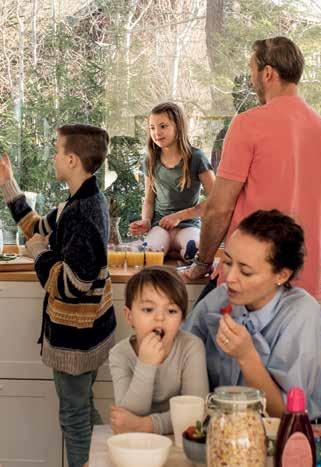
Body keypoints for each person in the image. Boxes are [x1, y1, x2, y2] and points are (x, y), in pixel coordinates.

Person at [184, 37, 321, 301]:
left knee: (199, 333)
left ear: (267, 73)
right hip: (304, 292)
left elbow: (219, 208)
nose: (250, 80)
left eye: (251, 70)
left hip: (249, 287)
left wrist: (202, 263)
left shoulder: (248, 125)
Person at [0, 124, 116, 467]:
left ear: (71, 159)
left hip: (75, 341)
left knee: (75, 420)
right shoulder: (78, 202)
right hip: (88, 334)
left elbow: (70, 284)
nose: (52, 157)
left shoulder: (83, 213)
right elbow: (36, 229)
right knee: (81, 411)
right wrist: (8, 181)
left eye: (56, 150)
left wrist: (38, 253)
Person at [183, 209, 321, 420]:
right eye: (227, 262)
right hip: (218, 431)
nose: (231, 277)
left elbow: (287, 415)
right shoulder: (219, 299)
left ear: (282, 275)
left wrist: (246, 355)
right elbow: (180, 354)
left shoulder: (303, 317)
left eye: (246, 271)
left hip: (281, 438)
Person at [109, 266, 208, 434]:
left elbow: (196, 414)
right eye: (148, 309)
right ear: (129, 316)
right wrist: (145, 365)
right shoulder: (120, 354)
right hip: (136, 444)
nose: (160, 317)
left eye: (171, 311)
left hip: (179, 441)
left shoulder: (191, 348)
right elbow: (127, 419)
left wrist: (145, 425)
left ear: (182, 319)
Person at [129, 102, 215, 261]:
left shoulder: (196, 158)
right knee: (148, 256)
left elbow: (217, 200)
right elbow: (149, 200)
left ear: (178, 127)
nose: (156, 133)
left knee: (195, 249)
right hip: (160, 227)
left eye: (163, 126)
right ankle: (166, 250)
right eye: (152, 127)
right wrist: (146, 221)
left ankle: (183, 252)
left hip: (188, 226)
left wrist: (180, 216)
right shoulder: (150, 159)